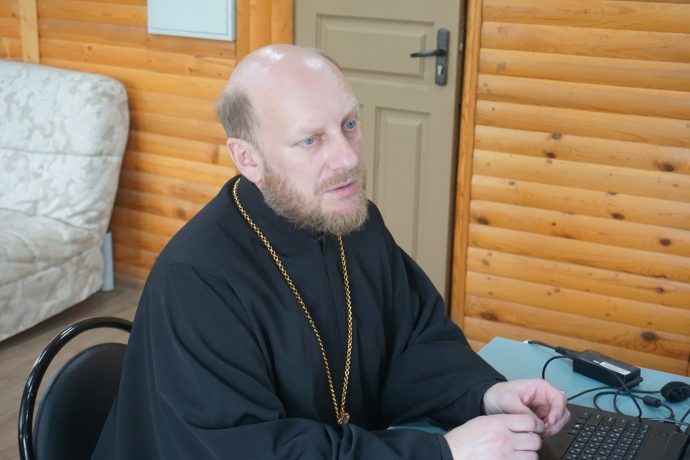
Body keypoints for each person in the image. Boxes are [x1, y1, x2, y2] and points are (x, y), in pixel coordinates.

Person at [92, 44, 569, 460]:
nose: (348, 157)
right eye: (311, 139)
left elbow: (413, 343)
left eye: (350, 124)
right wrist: (441, 453)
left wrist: (483, 393)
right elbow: (253, 450)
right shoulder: (197, 281)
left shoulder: (353, 223)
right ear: (248, 159)